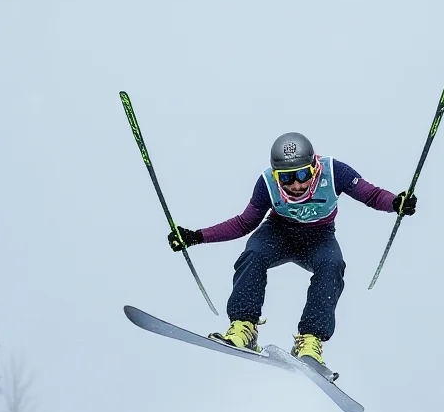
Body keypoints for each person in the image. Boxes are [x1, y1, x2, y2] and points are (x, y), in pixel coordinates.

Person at [168, 132, 416, 367]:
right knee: (253, 254)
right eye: (286, 177)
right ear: (276, 176)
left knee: (332, 265)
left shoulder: (334, 171)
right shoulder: (266, 183)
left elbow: (371, 195)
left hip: (319, 237)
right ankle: (244, 327)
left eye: (302, 174)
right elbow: (245, 222)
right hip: (278, 232)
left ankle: (310, 341)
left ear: (314, 167)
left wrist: (396, 203)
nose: (296, 184)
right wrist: (197, 237)